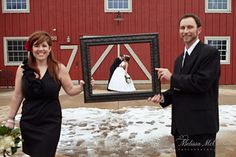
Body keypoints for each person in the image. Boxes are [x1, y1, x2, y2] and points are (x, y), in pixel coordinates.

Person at [4, 31, 94, 157]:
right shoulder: (22, 69)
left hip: (50, 121)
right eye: (36, 46)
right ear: (31, 48)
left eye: (44, 46)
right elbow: (17, 95)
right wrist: (10, 119)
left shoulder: (58, 68)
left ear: (50, 48)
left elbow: (70, 90)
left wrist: (82, 87)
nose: (40, 49)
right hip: (29, 121)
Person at [149, 13, 220, 157]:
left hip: (201, 127)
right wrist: (163, 97)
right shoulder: (179, 59)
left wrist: (172, 77)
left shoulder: (210, 53)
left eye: (190, 27)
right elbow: (178, 88)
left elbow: (201, 83)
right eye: (182, 27)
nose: (185, 31)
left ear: (199, 30)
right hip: (180, 128)